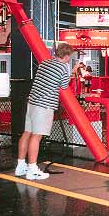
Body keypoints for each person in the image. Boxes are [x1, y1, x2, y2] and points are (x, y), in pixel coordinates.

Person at [15, 43, 73, 180]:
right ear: (65, 56)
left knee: (27, 133)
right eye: (69, 57)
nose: (69, 59)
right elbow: (64, 86)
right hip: (44, 106)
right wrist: (71, 72)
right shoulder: (63, 68)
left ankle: (20, 166)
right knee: (37, 136)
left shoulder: (44, 63)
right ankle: (32, 169)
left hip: (32, 102)